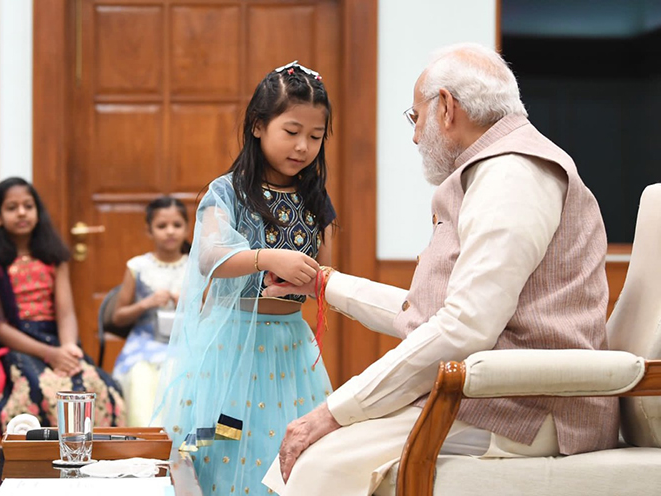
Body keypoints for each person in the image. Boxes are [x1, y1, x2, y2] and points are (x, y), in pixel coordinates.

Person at [261, 43, 618, 496]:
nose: (414, 136)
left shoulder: (513, 174)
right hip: (493, 392)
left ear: (446, 107)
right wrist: (322, 284)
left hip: (529, 407)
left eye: (416, 117)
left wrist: (333, 411)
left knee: (316, 461)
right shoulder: (495, 169)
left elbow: (464, 326)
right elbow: (435, 314)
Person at [153, 61, 336, 495]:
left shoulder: (315, 198)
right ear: (258, 126)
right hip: (234, 349)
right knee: (223, 447)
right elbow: (211, 257)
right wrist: (266, 257)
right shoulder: (228, 191)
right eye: (291, 132)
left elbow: (326, 270)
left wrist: (313, 280)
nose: (303, 147)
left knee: (291, 454)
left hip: (291, 347)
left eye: (315, 137)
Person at [0, 177, 125, 434]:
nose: (22, 212)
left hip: (55, 341)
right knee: (38, 388)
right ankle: (38, 466)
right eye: (12, 207)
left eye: (28, 205)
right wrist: (48, 354)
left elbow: (66, 312)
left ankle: (88, 464)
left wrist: (68, 348)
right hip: (14, 346)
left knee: (98, 387)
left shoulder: (53, 257)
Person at [111, 196, 191, 426]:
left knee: (179, 374)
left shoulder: (194, 266)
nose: (170, 232)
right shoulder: (138, 266)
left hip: (184, 342)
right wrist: (146, 303)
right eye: (161, 226)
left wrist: (186, 302)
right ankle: (144, 439)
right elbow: (118, 316)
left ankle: (177, 446)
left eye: (177, 225)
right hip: (144, 342)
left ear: (187, 228)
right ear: (149, 230)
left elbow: (210, 312)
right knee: (139, 377)